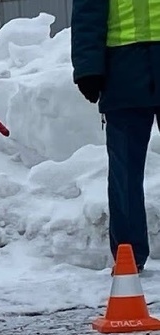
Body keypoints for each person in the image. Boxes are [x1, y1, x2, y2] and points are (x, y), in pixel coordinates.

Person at [72, 0, 159, 273]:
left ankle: (129, 253)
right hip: (124, 68)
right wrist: (87, 67)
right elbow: (87, 11)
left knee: (125, 170)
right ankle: (128, 255)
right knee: (125, 171)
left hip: (124, 68)